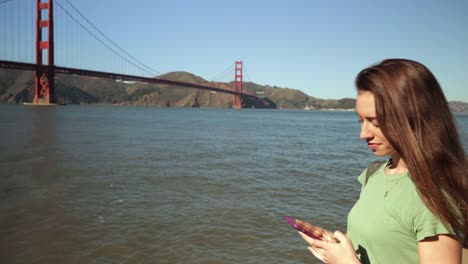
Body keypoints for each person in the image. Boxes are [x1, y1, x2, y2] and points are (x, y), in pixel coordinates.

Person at [294, 59, 467, 264]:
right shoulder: (375, 174)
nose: (363, 134)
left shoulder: (435, 195)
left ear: (414, 116)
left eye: (375, 122)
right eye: (361, 121)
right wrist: (337, 248)